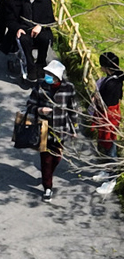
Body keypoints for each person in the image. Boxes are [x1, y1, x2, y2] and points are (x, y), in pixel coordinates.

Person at [24, 59, 78, 201]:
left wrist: (74, 127)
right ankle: (47, 186)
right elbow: (29, 105)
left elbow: (73, 109)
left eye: (50, 74)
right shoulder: (40, 86)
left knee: (57, 157)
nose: (47, 75)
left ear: (58, 77)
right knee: (46, 159)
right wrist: (39, 109)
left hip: (61, 128)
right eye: (46, 73)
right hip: (44, 129)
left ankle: (47, 175)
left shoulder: (68, 88)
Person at [8, 0, 56, 82]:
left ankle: (41, 64)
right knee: (24, 39)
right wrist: (17, 28)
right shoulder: (16, 0)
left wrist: (40, 26)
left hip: (40, 30)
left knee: (44, 38)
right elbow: (10, 20)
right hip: (24, 29)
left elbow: (50, 19)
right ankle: (31, 67)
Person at [93, 50, 123, 163]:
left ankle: (111, 174)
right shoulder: (116, 79)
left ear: (106, 67)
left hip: (109, 116)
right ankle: (107, 170)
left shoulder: (112, 83)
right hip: (112, 114)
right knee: (108, 143)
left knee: (109, 144)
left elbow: (105, 103)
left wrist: (96, 97)